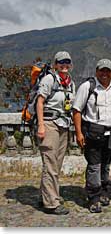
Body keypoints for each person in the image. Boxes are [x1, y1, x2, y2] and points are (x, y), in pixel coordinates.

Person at [72, 59, 111, 213]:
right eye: (102, 70)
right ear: (96, 71)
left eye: (108, 71)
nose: (105, 74)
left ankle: (104, 192)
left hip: (110, 134)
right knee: (94, 166)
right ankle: (93, 198)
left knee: (106, 165)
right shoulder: (87, 87)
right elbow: (77, 110)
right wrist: (79, 133)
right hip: (92, 133)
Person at [36, 51, 75, 215]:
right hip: (49, 124)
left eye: (67, 62)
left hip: (63, 125)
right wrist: (41, 125)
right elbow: (40, 101)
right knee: (50, 164)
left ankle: (45, 195)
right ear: (55, 65)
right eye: (61, 62)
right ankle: (51, 203)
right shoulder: (49, 80)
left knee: (56, 164)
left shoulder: (70, 83)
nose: (64, 65)